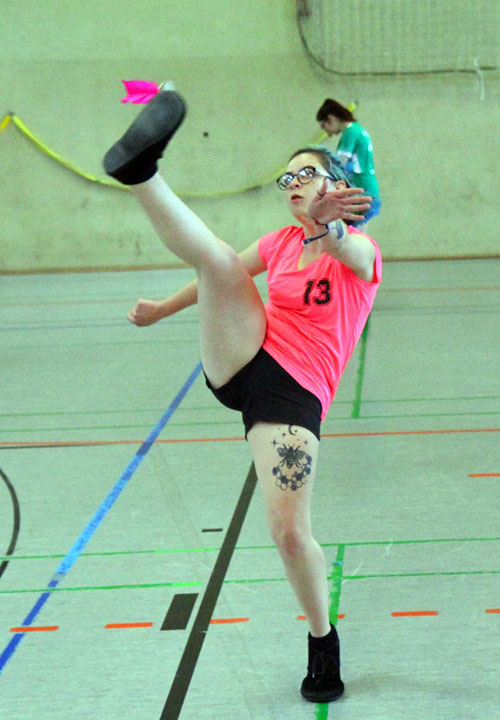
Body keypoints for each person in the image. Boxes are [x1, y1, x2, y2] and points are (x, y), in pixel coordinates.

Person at [103, 89, 382, 703]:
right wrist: (162, 309)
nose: (294, 184)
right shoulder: (281, 242)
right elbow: (220, 276)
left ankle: (322, 640)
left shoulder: (357, 251)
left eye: (307, 174)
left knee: (289, 534)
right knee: (219, 260)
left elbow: (352, 250)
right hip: (242, 358)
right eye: (288, 177)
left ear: (335, 185)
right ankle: (141, 173)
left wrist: (331, 224)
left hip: (292, 396)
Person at [316, 98, 381, 232]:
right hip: (368, 184)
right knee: (359, 232)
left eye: (324, 126)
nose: (327, 133)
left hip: (360, 185)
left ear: (331, 119)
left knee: (355, 234)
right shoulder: (359, 130)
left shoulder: (350, 133)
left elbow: (339, 164)